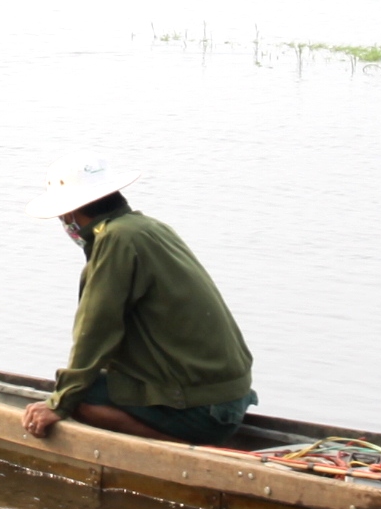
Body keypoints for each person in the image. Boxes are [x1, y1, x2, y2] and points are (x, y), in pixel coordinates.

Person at [18, 159, 259, 446]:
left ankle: (177, 447)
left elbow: (94, 331)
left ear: (71, 213)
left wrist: (59, 404)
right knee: (89, 382)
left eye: (63, 217)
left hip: (206, 412)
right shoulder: (147, 228)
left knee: (80, 397)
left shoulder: (116, 240)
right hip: (230, 398)